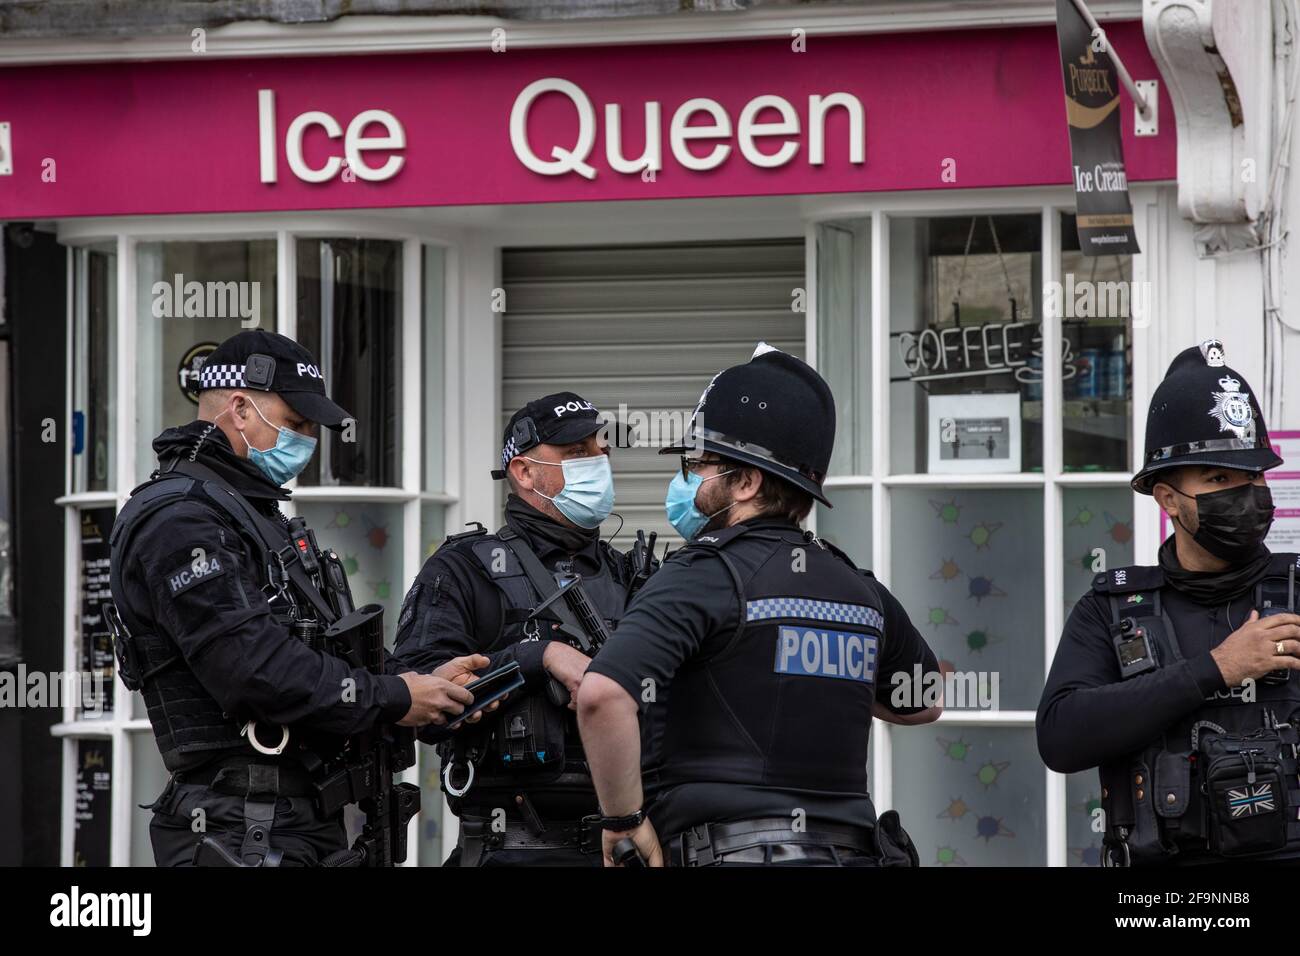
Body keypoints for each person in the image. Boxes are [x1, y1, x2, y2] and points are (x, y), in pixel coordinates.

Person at [109, 329, 485, 867]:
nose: (308, 440)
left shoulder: (252, 515)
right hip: (242, 823)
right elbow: (253, 670)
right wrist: (395, 697)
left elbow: (324, 652)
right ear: (240, 408)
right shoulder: (181, 519)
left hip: (291, 821)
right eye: (297, 424)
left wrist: (422, 687)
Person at [576, 344, 941, 867]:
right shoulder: (861, 589)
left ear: (746, 482)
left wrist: (623, 822)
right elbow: (924, 700)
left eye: (699, 464)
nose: (688, 480)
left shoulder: (701, 573)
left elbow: (602, 697)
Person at [1038, 338, 1300, 866]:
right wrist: (1215, 669)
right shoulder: (1112, 608)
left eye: (1253, 476)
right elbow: (1061, 737)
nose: (1246, 494)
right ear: (1168, 499)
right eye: (1219, 478)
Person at [393, 391, 659, 865]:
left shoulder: (629, 574)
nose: (598, 462)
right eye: (577, 454)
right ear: (524, 471)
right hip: (507, 847)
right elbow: (417, 696)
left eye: (601, 450)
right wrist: (537, 658)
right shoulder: (462, 569)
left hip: (621, 846)